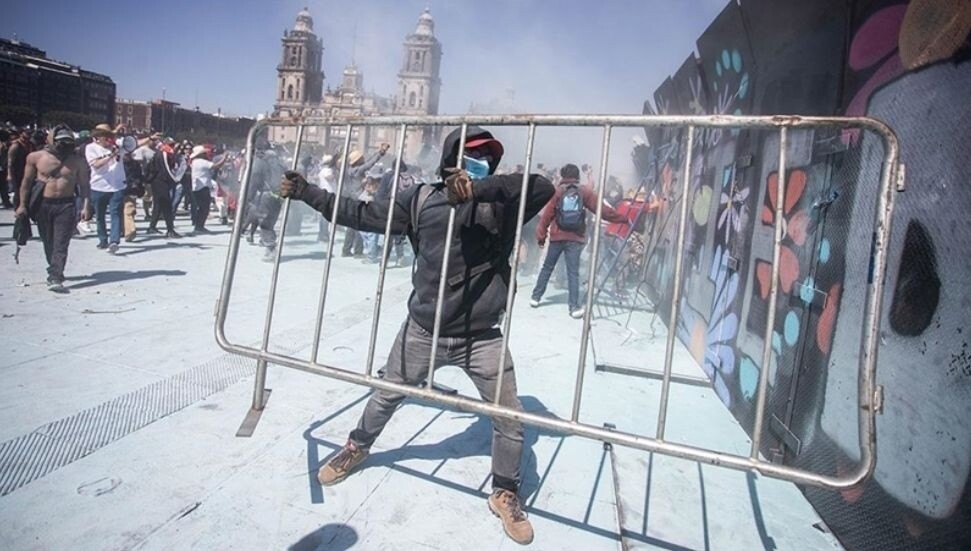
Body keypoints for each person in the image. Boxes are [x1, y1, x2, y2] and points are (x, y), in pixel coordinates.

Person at [279, 126, 553, 546]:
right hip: (424, 329)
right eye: (474, 156)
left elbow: (542, 187)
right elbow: (360, 214)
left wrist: (479, 190)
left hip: (482, 337)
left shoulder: (500, 203)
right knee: (387, 394)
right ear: (450, 159)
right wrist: (308, 193)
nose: (483, 163)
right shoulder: (420, 199)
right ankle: (357, 447)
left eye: (488, 158)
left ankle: (505, 492)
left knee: (509, 417)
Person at [530, 163, 628, 319]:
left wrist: (541, 237)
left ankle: (536, 297)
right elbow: (603, 211)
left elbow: (547, 215)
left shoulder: (558, 191)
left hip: (556, 237)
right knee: (573, 272)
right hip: (575, 238)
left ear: (563, 176)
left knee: (547, 267)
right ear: (577, 176)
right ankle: (574, 307)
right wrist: (623, 219)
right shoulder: (584, 192)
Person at [15, 125, 91, 293]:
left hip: (66, 205)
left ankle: (55, 275)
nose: (64, 146)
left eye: (67, 142)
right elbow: (26, 183)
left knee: (61, 242)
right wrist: (22, 205)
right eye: (60, 142)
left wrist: (85, 206)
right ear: (51, 141)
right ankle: (54, 266)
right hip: (43, 205)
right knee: (48, 241)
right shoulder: (36, 157)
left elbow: (85, 186)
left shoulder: (77, 161)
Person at [340, 144, 390, 257]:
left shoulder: (349, 170)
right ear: (358, 161)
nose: (363, 158)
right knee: (361, 225)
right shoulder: (358, 170)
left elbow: (367, 162)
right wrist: (381, 153)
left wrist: (377, 151)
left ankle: (346, 249)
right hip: (359, 198)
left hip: (350, 197)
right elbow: (369, 164)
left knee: (351, 225)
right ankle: (358, 250)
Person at [85, 124, 128, 253]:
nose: (109, 138)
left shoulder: (117, 146)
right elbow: (96, 164)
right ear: (97, 137)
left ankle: (114, 241)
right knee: (100, 215)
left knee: (116, 214)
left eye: (110, 135)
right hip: (98, 186)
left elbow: (133, 145)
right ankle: (103, 239)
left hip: (117, 187)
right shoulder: (91, 148)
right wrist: (111, 155)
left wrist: (150, 138)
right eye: (105, 136)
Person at [144, 138, 184, 238]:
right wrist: (175, 180)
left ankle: (152, 227)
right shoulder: (163, 153)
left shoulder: (163, 153)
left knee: (158, 205)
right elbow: (166, 169)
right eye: (171, 144)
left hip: (158, 181)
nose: (173, 146)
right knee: (167, 205)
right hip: (160, 181)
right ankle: (170, 230)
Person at [188, 145, 228, 233]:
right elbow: (216, 166)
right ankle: (199, 226)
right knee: (204, 208)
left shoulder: (194, 162)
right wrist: (224, 158)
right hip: (202, 187)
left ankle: (198, 225)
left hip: (197, 187)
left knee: (201, 208)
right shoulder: (201, 162)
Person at [6, 128, 33, 210]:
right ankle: (17, 208)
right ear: (21, 134)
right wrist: (9, 174)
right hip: (17, 171)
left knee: (27, 189)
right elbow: (10, 162)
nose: (27, 135)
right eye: (26, 133)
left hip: (27, 170)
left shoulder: (30, 144)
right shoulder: (15, 146)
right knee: (18, 191)